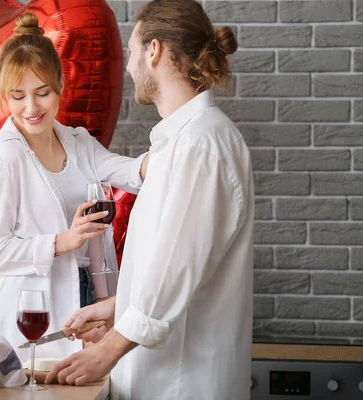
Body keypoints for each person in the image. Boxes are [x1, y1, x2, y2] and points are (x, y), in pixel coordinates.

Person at [45, 1, 255, 399]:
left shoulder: (199, 145)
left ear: (154, 50)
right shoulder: (183, 142)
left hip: (182, 385)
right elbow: (179, 264)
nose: (127, 67)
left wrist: (109, 348)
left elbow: (174, 271)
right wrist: (118, 307)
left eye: (132, 49)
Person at [0, 12, 149, 365]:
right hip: (32, 314)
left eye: (41, 93)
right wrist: (61, 242)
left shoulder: (77, 141)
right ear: (5, 97)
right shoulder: (7, 154)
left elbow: (132, 172)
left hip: (88, 300)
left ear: (59, 87)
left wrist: (177, 145)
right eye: (18, 96)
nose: (31, 108)